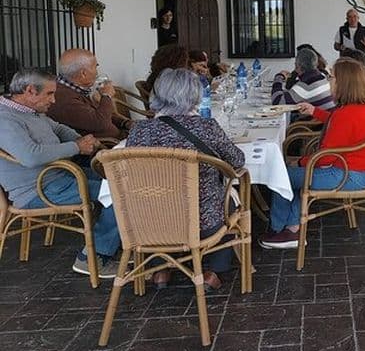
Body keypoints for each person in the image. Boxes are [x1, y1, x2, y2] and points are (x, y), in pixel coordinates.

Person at [126, 69, 245, 290]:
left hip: (148, 222)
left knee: (158, 199)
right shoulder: (206, 127)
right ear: (195, 95)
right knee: (229, 201)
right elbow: (237, 161)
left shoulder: (139, 131)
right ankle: (213, 271)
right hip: (202, 222)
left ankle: (160, 268)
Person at [0, 69, 120, 278]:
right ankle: (93, 257)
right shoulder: (6, 120)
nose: (54, 100)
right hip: (39, 190)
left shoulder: (28, 111)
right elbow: (31, 156)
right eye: (49, 94)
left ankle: (115, 244)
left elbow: (58, 128)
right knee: (122, 193)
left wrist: (85, 141)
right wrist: (76, 147)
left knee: (120, 179)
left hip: (60, 177)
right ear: (30, 91)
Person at [259, 58, 365, 249]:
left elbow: (326, 157)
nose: (329, 81)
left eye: (332, 78)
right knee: (296, 177)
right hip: (358, 172)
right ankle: (291, 228)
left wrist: (299, 162)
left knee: (282, 175)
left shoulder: (346, 114)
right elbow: (341, 124)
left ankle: (278, 228)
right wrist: (316, 111)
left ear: (344, 83)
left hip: (345, 176)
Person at [48, 49, 133, 139]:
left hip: (122, 136)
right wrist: (106, 96)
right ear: (83, 73)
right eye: (95, 67)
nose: (97, 72)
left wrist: (125, 123)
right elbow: (100, 123)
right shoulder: (63, 98)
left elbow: (99, 114)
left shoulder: (75, 89)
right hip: (112, 147)